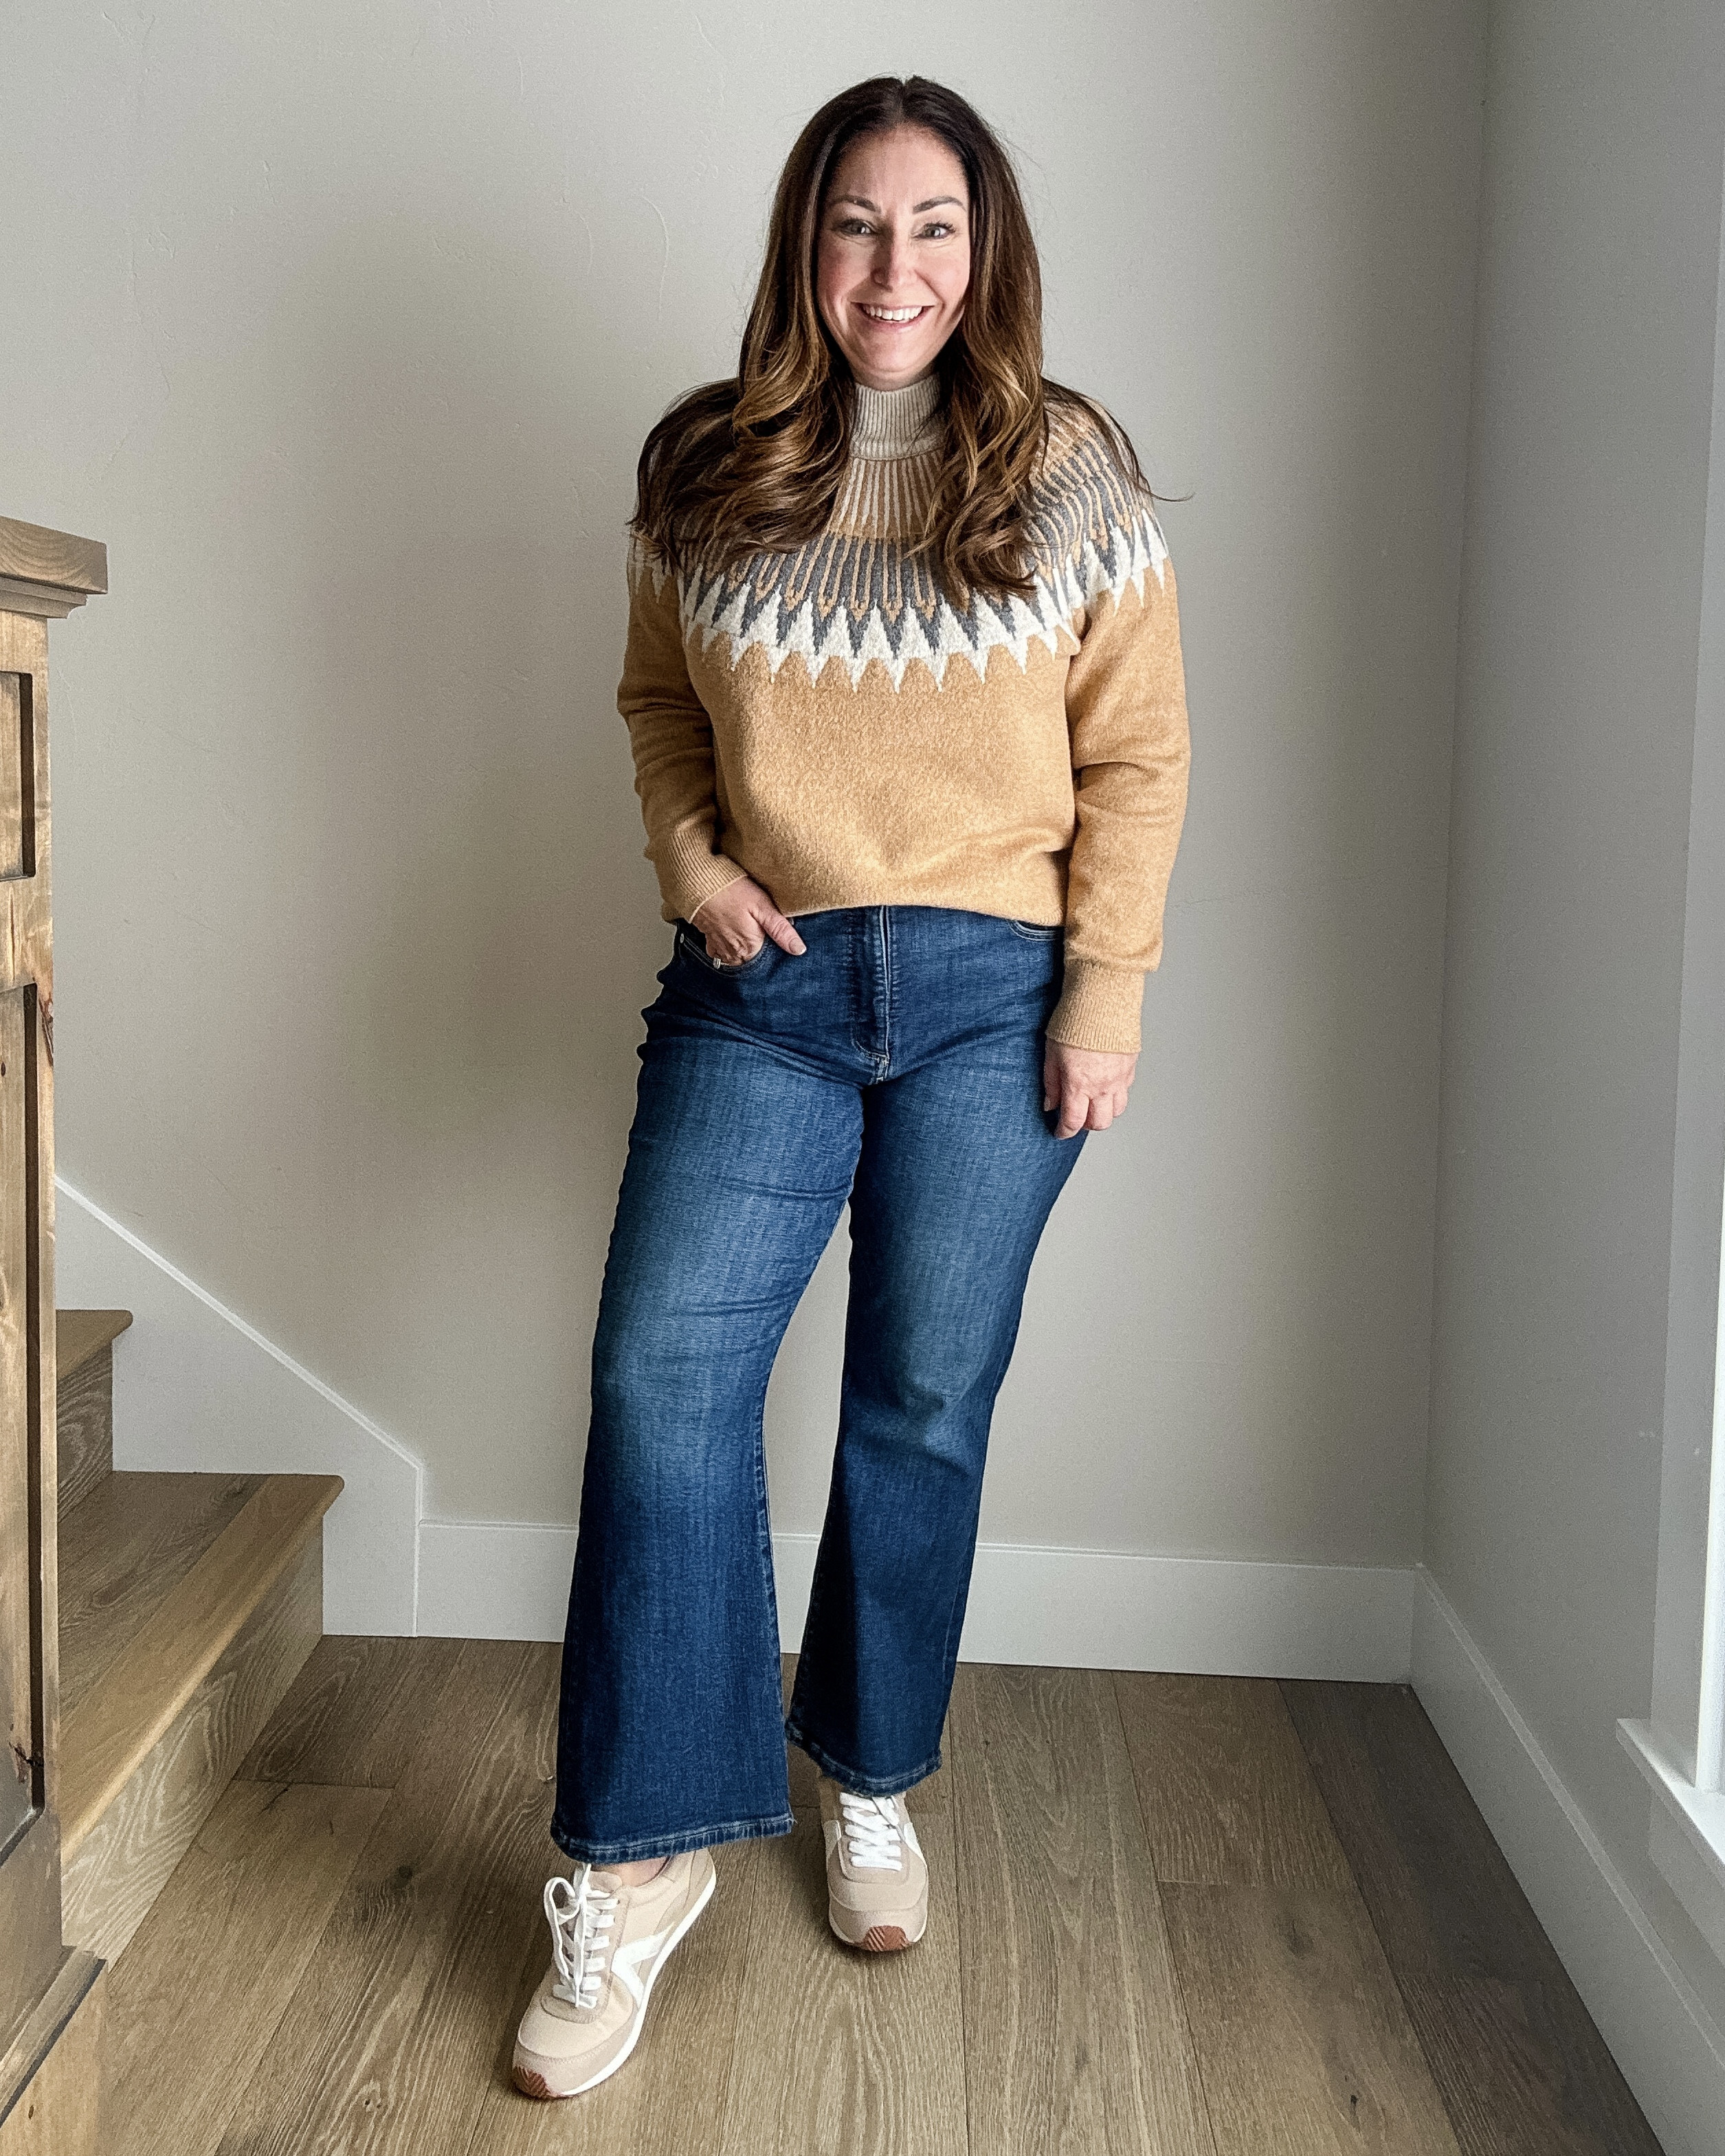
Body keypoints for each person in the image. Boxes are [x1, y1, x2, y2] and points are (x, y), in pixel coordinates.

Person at [511, 73, 1190, 2102]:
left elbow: (1140, 754)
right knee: (662, 1382)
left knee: (917, 1396)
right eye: (858, 224)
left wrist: (1107, 995)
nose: (897, 268)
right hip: (768, 985)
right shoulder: (706, 465)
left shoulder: (1070, 470)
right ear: (805, 243)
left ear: (987, 253)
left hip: (1001, 995)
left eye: (936, 226)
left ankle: (870, 1776)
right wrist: (692, 866)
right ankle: (639, 1860)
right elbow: (659, 700)